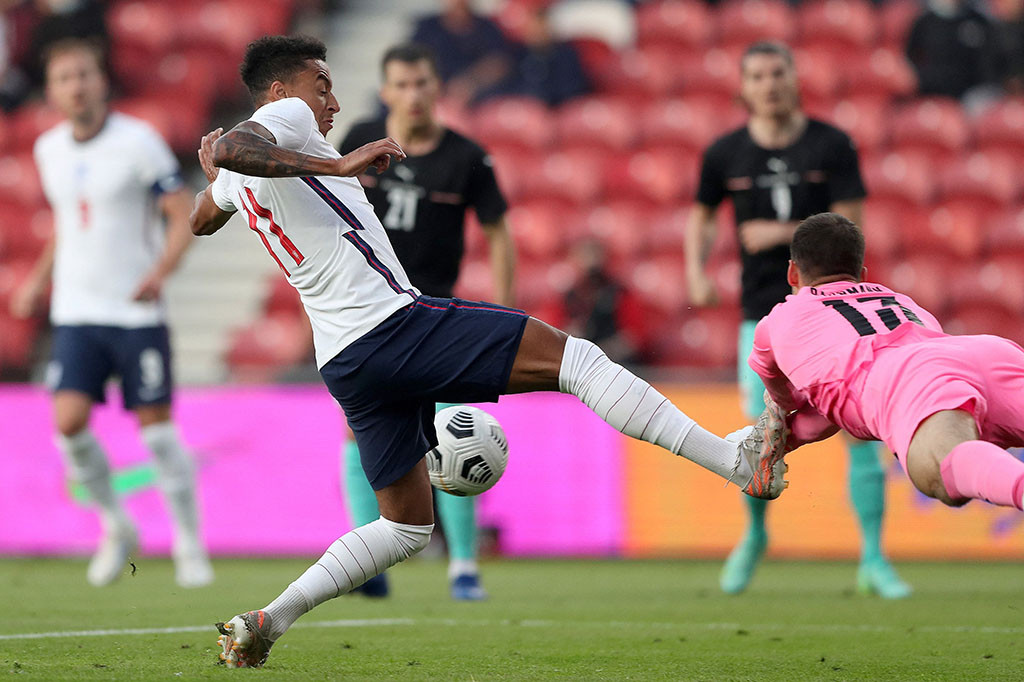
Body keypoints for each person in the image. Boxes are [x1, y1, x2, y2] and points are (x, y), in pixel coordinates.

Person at [188, 35, 788, 669]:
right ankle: (735, 461)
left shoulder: (250, 168)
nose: (332, 102)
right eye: (321, 86)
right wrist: (331, 168)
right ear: (281, 91)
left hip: (345, 361)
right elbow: (231, 146)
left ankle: (268, 619)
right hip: (391, 323)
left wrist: (221, 184)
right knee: (578, 361)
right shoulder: (287, 119)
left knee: (405, 527)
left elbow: (202, 216)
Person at [685, 41, 910, 598]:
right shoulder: (725, 153)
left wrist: (778, 233)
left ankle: (874, 558)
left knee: (858, 429)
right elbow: (701, 217)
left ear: (795, 79)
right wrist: (695, 271)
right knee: (764, 436)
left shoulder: (831, 144)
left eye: (777, 73)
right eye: (758, 75)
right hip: (762, 316)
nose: (769, 84)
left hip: (835, 313)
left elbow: (852, 225)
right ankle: (756, 535)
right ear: (743, 87)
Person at [9, 38, 211, 588]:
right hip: (77, 312)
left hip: (135, 313)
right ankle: (117, 526)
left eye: (83, 74)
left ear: (101, 81)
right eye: (64, 78)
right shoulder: (49, 148)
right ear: (51, 91)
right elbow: (69, 222)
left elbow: (180, 213)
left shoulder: (138, 141)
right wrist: (37, 280)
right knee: (68, 425)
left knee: (157, 436)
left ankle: (189, 542)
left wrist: (161, 272)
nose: (75, 86)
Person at [337, 43, 516, 601]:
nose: (413, 94)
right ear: (385, 92)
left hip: (434, 316)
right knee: (357, 432)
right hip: (367, 313)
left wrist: (504, 308)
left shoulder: (467, 158)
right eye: (402, 84)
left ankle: (463, 564)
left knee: (453, 433)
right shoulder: (360, 141)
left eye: (421, 83)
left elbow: (498, 233)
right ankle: (369, 566)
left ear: (437, 89)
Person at [753, 212, 1024, 520]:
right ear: (862, 274)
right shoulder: (903, 302)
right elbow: (845, 400)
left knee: (941, 467)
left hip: (911, 376)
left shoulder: (778, 320)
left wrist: (781, 423)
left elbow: (783, 392)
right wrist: (796, 435)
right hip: (986, 352)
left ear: (792, 273)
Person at [410, 0, 514, 106]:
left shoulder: (488, 28)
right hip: (436, 99)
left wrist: (470, 82)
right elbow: (412, 62)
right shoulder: (427, 29)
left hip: (483, 101)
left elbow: (500, 62)